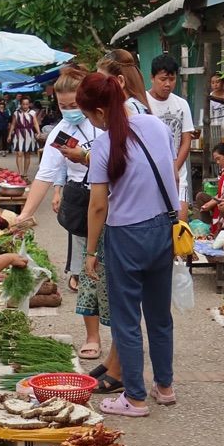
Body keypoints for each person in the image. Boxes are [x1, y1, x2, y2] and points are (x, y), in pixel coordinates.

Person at [80, 68, 179, 415]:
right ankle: (164, 387)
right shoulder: (156, 126)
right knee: (159, 315)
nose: (91, 122)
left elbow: (98, 205)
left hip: (126, 236)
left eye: (88, 116)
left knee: (126, 319)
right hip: (163, 229)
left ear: (99, 112)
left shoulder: (104, 145)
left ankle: (134, 398)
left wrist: (90, 251)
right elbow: (170, 173)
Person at [11, 65, 108, 361]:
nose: (69, 111)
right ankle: (92, 337)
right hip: (83, 205)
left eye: (74, 105)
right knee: (87, 271)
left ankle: (123, 340)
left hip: (116, 203)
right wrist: (24, 215)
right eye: (63, 106)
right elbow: (45, 174)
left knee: (118, 273)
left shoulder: (105, 122)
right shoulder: (61, 132)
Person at [146, 53, 195, 213]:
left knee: (180, 220)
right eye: (163, 79)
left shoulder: (182, 104)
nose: (167, 84)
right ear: (152, 77)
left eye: (172, 79)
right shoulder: (142, 103)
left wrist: (173, 169)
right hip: (150, 175)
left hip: (178, 174)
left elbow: (186, 141)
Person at [100, 48, 150, 116]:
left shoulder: (130, 110)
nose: (99, 86)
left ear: (120, 81)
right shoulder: (133, 107)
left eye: (103, 81)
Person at [8, 99, 41, 179]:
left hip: (29, 134)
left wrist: (39, 132)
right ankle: (20, 173)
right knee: (19, 153)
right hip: (19, 133)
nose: (25, 106)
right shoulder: (16, 113)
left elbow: (35, 123)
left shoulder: (32, 113)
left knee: (27, 154)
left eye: (27, 104)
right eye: (23, 104)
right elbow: (13, 124)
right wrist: (9, 135)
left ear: (29, 104)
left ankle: (25, 173)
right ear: (21, 104)